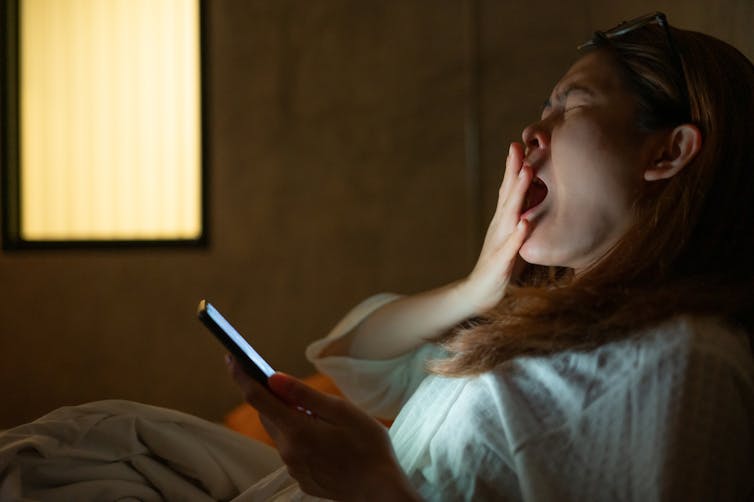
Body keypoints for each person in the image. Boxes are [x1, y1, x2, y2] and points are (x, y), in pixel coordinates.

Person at [1, 12, 752, 501]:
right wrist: (478, 285)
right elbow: (362, 354)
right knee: (65, 449)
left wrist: (373, 490)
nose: (531, 134)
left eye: (571, 104)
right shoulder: (554, 319)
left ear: (668, 151)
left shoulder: (685, 361)